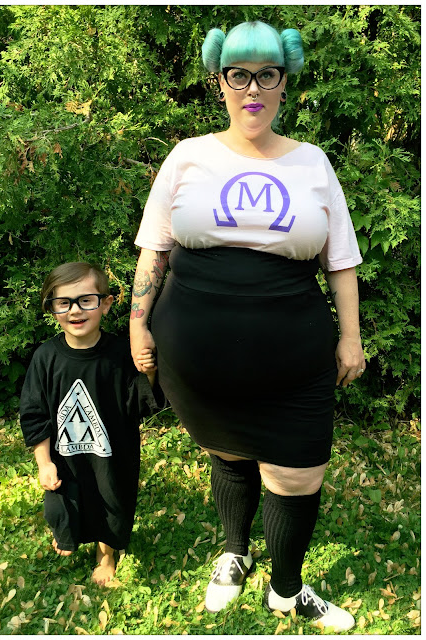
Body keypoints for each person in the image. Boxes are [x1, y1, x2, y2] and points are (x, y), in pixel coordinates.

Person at [130, 20, 365, 631]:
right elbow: (154, 250)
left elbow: (341, 259)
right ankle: (234, 552)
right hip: (196, 358)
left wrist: (351, 337)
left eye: (267, 75)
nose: (252, 89)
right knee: (228, 453)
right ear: (221, 82)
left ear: (285, 84)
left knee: (299, 472)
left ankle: (286, 590)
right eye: (239, 75)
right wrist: (136, 326)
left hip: (295, 359)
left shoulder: (313, 163)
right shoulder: (188, 156)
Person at [20, 262, 162, 585]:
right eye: (64, 302)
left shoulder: (120, 354)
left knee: (110, 503)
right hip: (64, 457)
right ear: (51, 308)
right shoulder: (45, 358)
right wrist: (44, 462)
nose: (75, 310)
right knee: (64, 503)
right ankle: (67, 534)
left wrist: (149, 372)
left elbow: (140, 403)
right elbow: (34, 413)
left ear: (106, 303)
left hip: (111, 455)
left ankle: (106, 555)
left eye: (86, 300)